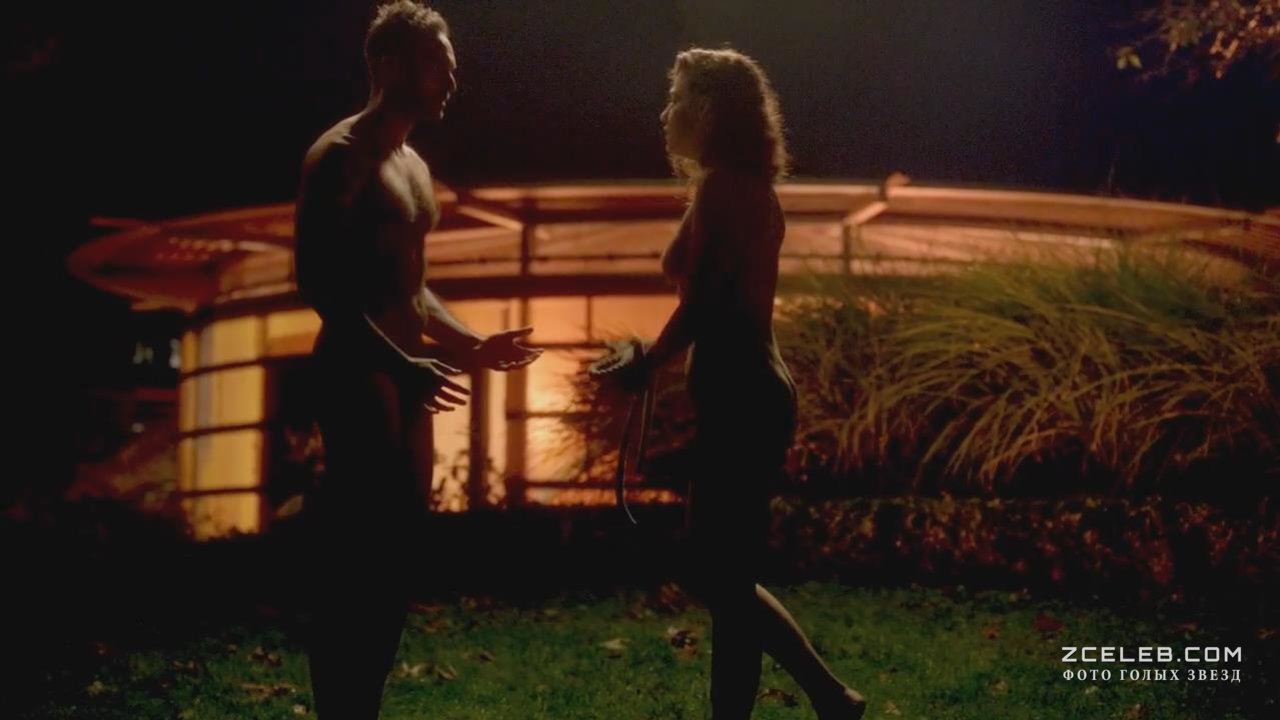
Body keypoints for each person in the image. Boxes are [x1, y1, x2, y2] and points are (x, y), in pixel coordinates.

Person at [593, 47, 867, 719]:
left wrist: (647, 363)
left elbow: (707, 302)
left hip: (744, 395)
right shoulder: (729, 186)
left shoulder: (725, 190)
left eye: (677, 98)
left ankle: (831, 694)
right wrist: (649, 356)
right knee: (727, 577)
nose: (666, 113)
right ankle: (817, 702)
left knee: (713, 572)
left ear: (709, 110)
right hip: (742, 393)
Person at [292, 3, 542, 717]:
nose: (452, 80)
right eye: (438, 64)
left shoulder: (415, 166)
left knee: (397, 555)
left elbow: (412, 287)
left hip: (407, 372)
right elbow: (319, 284)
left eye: (452, 66)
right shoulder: (338, 156)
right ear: (389, 63)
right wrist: (399, 362)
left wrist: (470, 345)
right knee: (359, 554)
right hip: (357, 370)